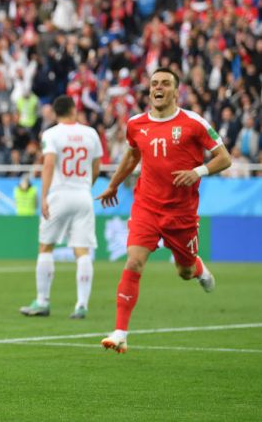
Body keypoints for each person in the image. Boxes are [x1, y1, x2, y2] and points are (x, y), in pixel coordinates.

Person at [96, 67, 231, 353]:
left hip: (181, 213)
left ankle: (197, 267)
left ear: (175, 90)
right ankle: (120, 332)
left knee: (183, 270)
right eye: (154, 83)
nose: (158, 88)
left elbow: (224, 158)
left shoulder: (193, 123)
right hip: (146, 205)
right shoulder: (135, 124)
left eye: (165, 84)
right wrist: (114, 185)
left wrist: (199, 171)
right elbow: (133, 155)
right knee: (133, 262)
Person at [19, 95, 102, 319]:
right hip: (83, 195)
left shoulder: (51, 134)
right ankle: (81, 305)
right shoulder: (90, 133)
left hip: (59, 194)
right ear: (74, 110)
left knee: (46, 248)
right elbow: (97, 166)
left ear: (55, 113)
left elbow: (48, 163)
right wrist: (86, 186)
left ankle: (42, 302)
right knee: (82, 251)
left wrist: (44, 196)